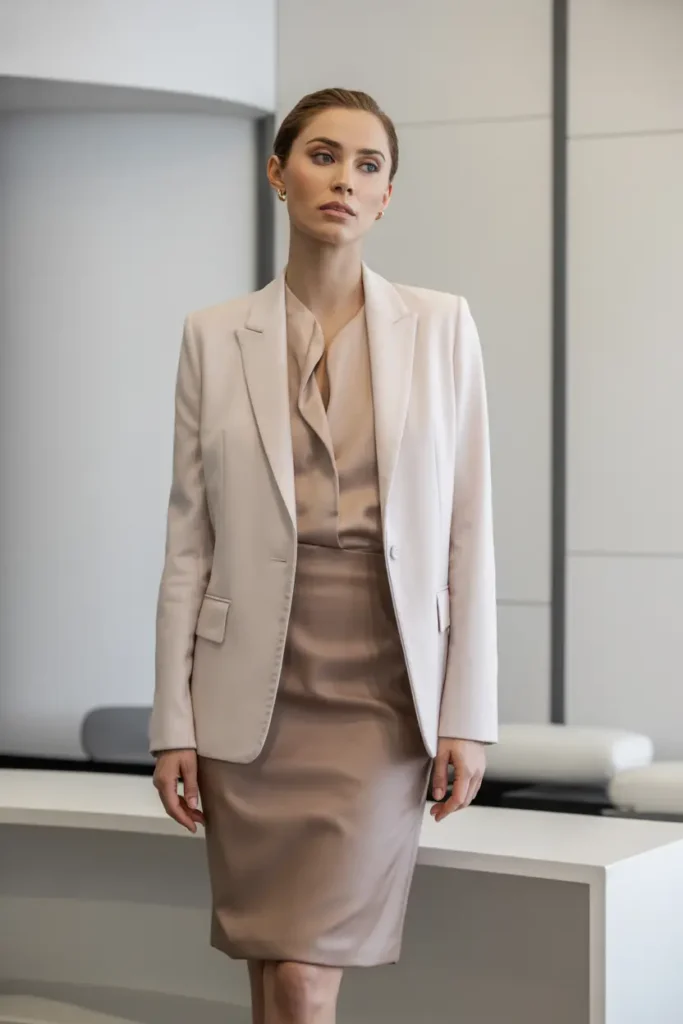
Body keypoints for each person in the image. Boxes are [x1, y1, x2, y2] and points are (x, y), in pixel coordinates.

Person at [150, 87, 498, 1024]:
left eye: (368, 165)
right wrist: (171, 721)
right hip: (249, 687)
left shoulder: (441, 326)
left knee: (304, 971)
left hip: (382, 689)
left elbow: (470, 530)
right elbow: (190, 539)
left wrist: (468, 714)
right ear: (277, 173)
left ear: (387, 196)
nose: (344, 179)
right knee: (273, 967)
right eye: (321, 155)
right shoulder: (212, 335)